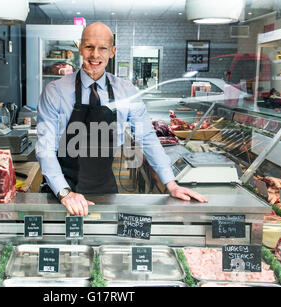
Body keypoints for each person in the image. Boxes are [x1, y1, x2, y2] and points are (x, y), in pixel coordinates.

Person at [36, 22, 208, 216]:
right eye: (89, 47)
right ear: (80, 48)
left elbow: (147, 138)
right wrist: (65, 193)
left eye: (103, 48)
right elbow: (45, 147)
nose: (95, 55)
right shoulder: (55, 91)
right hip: (61, 192)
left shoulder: (126, 91)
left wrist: (171, 184)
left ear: (112, 51)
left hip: (105, 190)